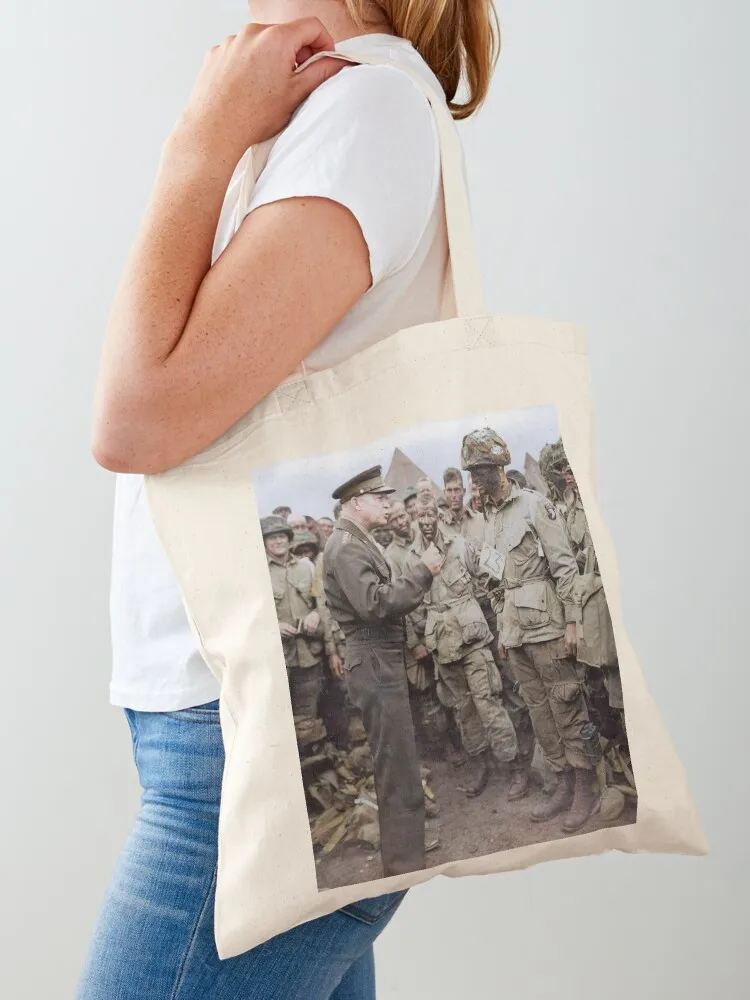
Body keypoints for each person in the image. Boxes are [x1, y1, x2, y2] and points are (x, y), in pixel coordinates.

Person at [82, 1, 501, 997]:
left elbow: (136, 418)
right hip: (241, 731)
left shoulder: (364, 111)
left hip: (265, 755)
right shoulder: (314, 106)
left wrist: (199, 139)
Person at [461, 428, 601, 833]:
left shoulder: (535, 507)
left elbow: (564, 568)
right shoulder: (489, 518)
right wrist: (505, 632)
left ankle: (586, 790)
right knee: (540, 713)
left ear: (499, 468)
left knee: (567, 706)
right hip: (516, 634)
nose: (476, 480)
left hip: (549, 628)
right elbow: (494, 579)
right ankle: (563, 782)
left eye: (481, 471)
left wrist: (573, 621)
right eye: (472, 473)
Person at [323, 466, 444, 876]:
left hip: (379, 658)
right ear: (357, 503)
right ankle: (404, 861)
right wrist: (422, 571)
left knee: (400, 758)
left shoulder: (353, 541)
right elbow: (374, 604)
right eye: (380, 498)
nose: (388, 504)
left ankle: (407, 849)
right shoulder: (346, 547)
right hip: (374, 658)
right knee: (394, 761)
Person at [407, 494, 527, 799]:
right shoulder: (412, 559)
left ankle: (516, 767)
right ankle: (482, 766)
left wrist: (502, 614)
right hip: (442, 645)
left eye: (430, 516)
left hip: (472, 639)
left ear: (439, 515)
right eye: (420, 518)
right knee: (463, 711)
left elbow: (496, 570)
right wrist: (419, 638)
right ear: (414, 519)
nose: (426, 523)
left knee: (488, 703)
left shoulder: (460, 544)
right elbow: (410, 606)